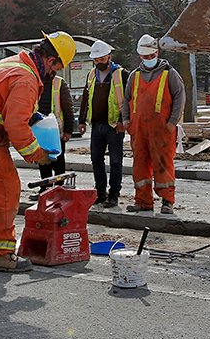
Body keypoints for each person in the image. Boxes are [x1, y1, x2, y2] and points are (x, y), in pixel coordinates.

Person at [0, 31, 75, 272]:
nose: (53, 75)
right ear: (51, 61)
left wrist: (33, 118)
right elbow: (15, 125)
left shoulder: (14, 64)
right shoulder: (26, 77)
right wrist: (36, 153)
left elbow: (7, 109)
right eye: (56, 69)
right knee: (4, 192)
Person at [121, 34, 185, 216]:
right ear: (140, 55)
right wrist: (126, 120)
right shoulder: (135, 76)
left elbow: (180, 98)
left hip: (162, 130)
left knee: (163, 164)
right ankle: (143, 201)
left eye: (150, 56)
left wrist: (172, 122)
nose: (148, 59)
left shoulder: (170, 74)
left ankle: (167, 201)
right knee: (140, 164)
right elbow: (127, 99)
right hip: (139, 129)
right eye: (144, 57)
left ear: (156, 53)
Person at [77, 39, 127, 208]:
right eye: (96, 60)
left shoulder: (121, 74)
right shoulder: (91, 74)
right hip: (96, 125)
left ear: (109, 57)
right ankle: (100, 193)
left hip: (114, 126)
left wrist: (122, 121)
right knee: (96, 159)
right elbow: (86, 98)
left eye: (102, 59)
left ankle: (113, 194)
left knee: (115, 161)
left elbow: (128, 101)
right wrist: (81, 120)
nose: (99, 62)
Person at [29, 73, 77, 200]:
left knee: (58, 160)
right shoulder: (34, 82)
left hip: (55, 130)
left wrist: (68, 130)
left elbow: (68, 109)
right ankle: (45, 189)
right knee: (42, 159)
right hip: (39, 128)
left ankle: (58, 189)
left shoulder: (59, 83)